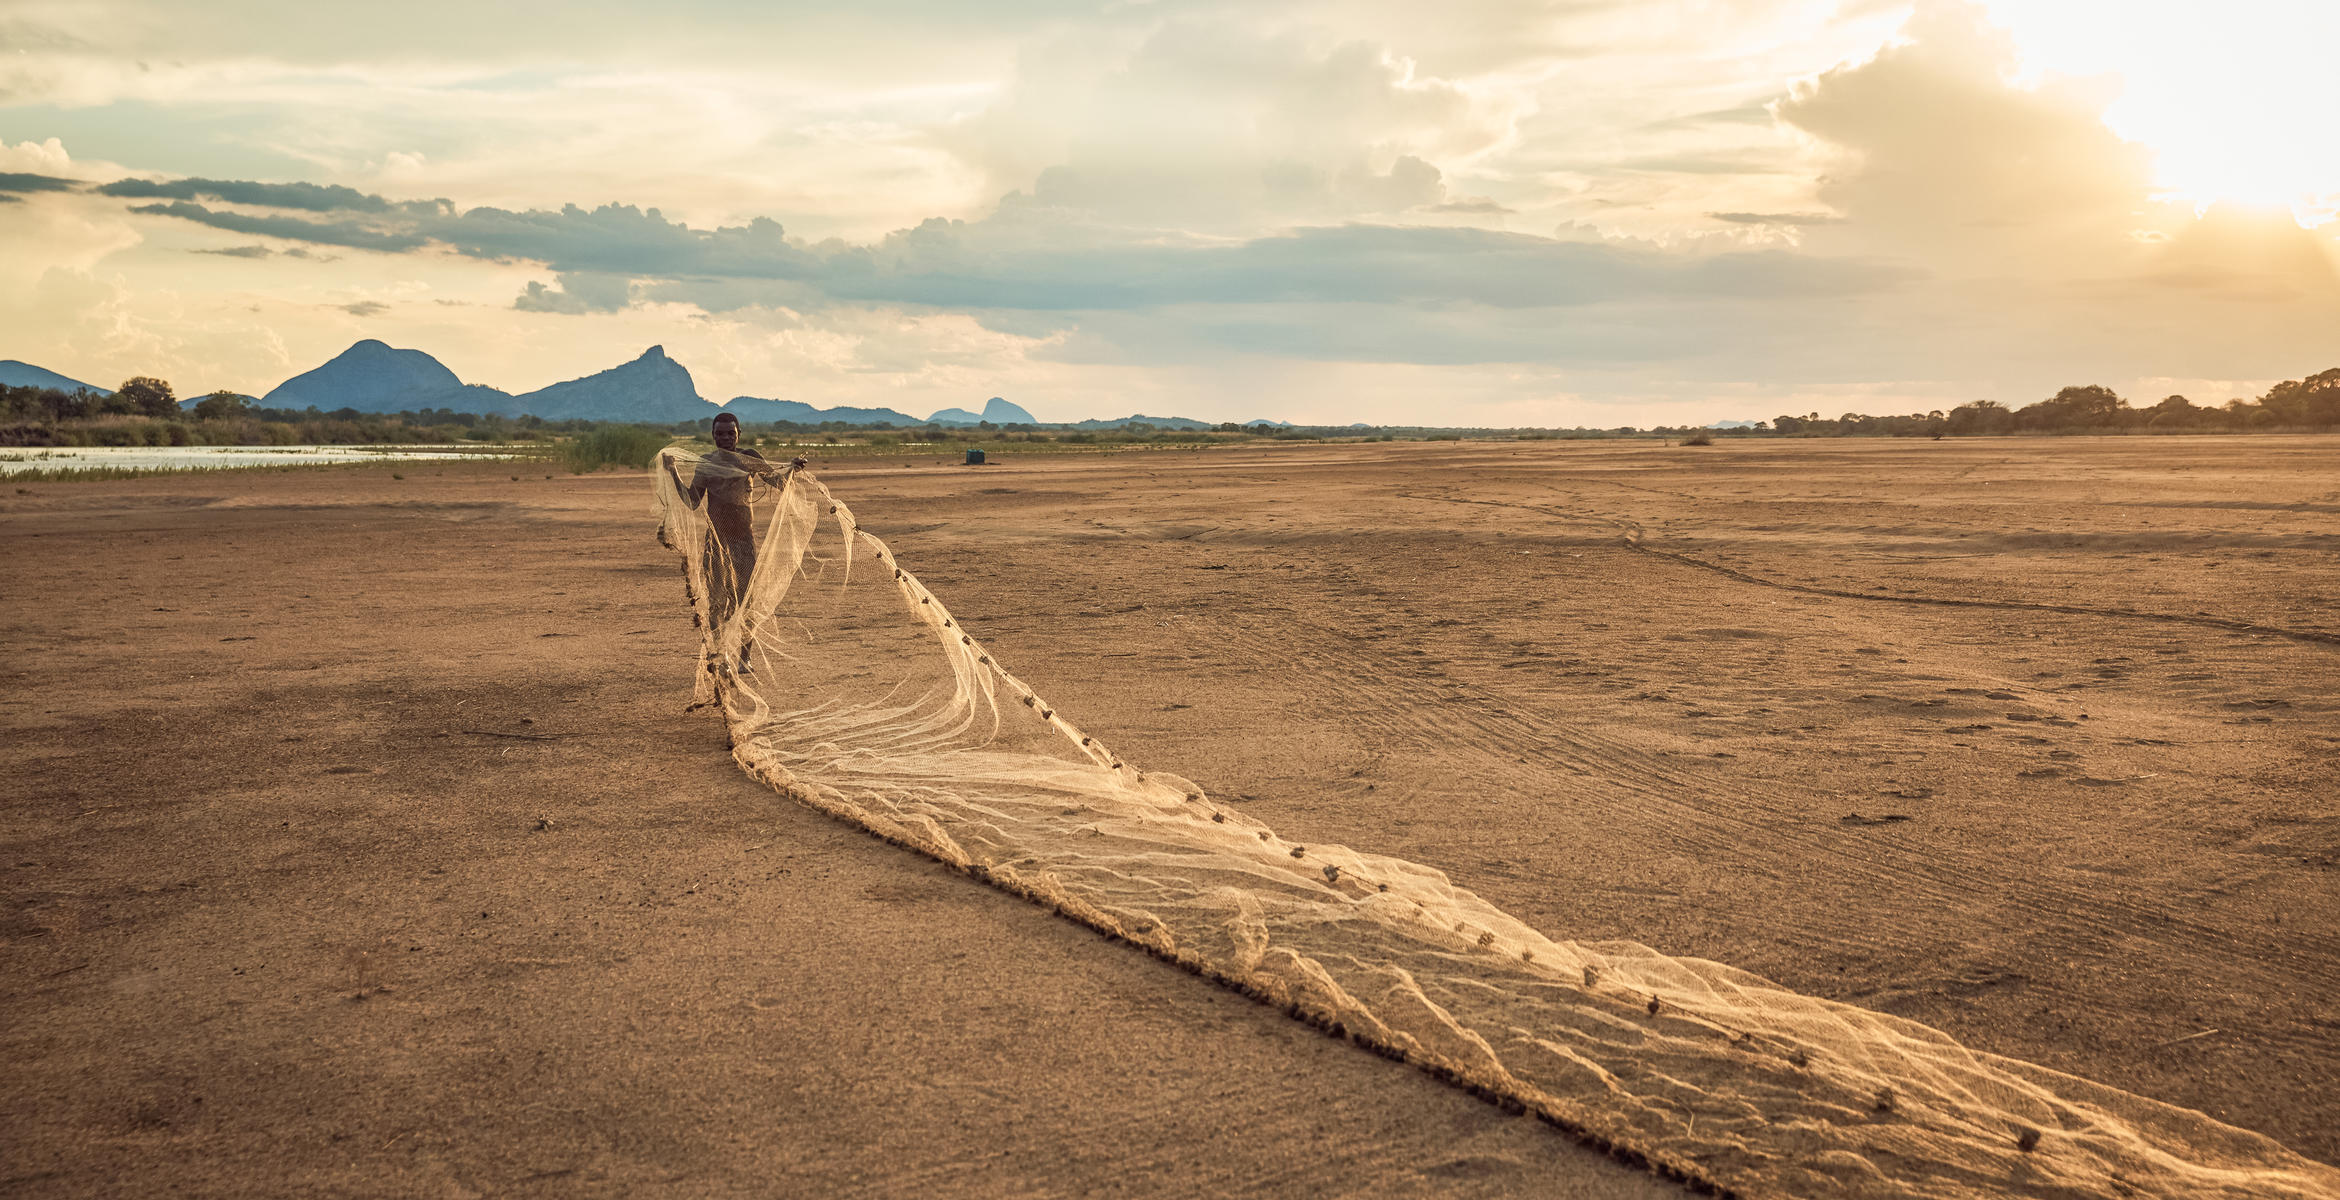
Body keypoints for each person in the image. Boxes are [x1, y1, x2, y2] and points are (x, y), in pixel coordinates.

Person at [660, 413, 806, 673]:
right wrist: (673, 473)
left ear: (739, 434)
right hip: (716, 541)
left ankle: (744, 658)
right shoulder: (706, 463)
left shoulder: (748, 458)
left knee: (744, 600)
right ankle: (721, 657)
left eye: (730, 433)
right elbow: (693, 500)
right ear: (713, 435)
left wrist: (792, 468)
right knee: (716, 601)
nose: (725, 438)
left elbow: (777, 481)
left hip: (743, 540)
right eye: (720, 434)